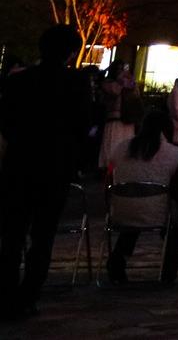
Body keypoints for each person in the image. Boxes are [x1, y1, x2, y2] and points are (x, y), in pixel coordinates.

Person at [0, 25, 98, 320]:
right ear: (70, 53)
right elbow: (86, 126)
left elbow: (5, 122)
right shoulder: (76, 84)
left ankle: (5, 293)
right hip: (55, 167)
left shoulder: (19, 82)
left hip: (19, 164)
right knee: (43, 236)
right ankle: (28, 295)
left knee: (12, 234)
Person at [106, 109, 178, 284]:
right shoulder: (174, 154)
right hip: (157, 212)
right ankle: (171, 261)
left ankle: (118, 260)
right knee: (165, 214)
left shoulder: (121, 148)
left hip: (121, 209)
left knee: (135, 212)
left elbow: (109, 178)